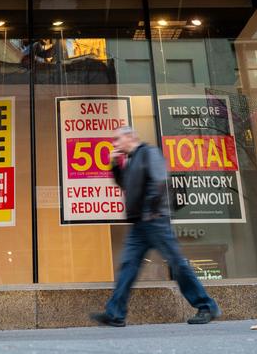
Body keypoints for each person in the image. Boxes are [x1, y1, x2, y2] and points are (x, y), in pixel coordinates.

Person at [90, 126, 221, 327]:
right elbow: (124, 184)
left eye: (117, 139)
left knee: (176, 264)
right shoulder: (132, 161)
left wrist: (151, 210)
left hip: (155, 219)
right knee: (128, 266)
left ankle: (206, 306)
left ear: (129, 137)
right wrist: (115, 164)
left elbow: (160, 181)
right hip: (139, 224)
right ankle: (115, 313)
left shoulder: (149, 153)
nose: (114, 144)